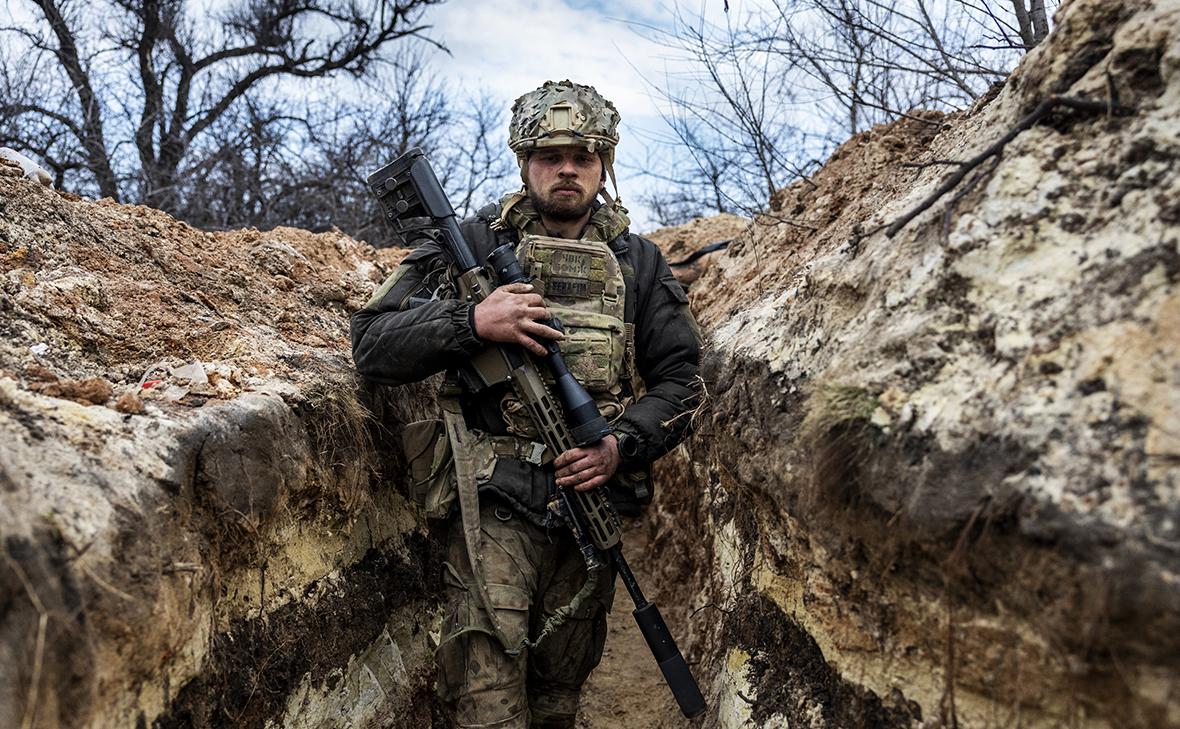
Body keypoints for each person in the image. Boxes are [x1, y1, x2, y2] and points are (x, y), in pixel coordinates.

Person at [351, 79, 701, 729]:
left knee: (558, 696)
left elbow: (683, 380)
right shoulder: (470, 246)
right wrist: (471, 321)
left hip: (589, 506)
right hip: (495, 499)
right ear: (524, 162)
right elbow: (371, 342)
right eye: (549, 155)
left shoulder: (638, 262)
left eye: (584, 156)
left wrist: (621, 442)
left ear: (605, 166)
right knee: (485, 697)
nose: (567, 169)